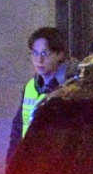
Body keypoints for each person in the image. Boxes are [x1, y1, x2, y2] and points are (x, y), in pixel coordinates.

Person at [8, 27, 70, 160]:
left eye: (45, 54)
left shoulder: (70, 88)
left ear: (60, 55)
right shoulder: (31, 86)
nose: (39, 60)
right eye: (34, 53)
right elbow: (18, 128)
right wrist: (12, 163)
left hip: (54, 164)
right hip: (28, 162)